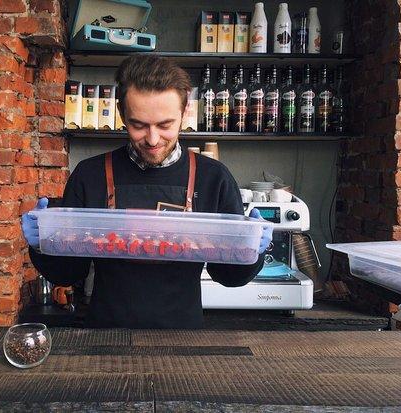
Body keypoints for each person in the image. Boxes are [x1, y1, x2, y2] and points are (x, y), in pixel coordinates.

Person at [22, 55, 272, 329]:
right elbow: (68, 273)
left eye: (165, 125)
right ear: (121, 113)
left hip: (184, 335)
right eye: (138, 125)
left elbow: (230, 276)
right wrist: (43, 243)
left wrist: (252, 249)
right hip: (104, 333)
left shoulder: (213, 178)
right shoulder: (89, 175)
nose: (152, 139)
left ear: (185, 111)